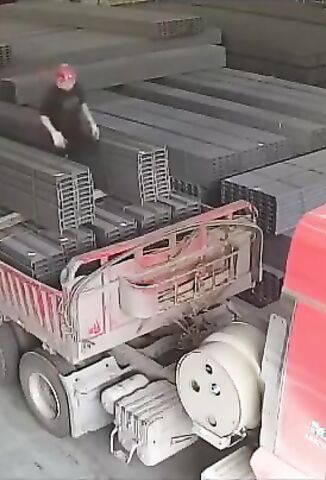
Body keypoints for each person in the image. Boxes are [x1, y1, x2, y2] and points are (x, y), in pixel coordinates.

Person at [40, 63, 100, 157]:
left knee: (89, 146)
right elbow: (44, 116)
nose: (70, 85)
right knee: (62, 152)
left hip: (75, 127)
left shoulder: (76, 88)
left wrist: (92, 123)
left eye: (72, 82)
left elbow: (83, 105)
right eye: (67, 83)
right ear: (59, 83)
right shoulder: (53, 95)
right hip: (61, 130)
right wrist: (54, 132)